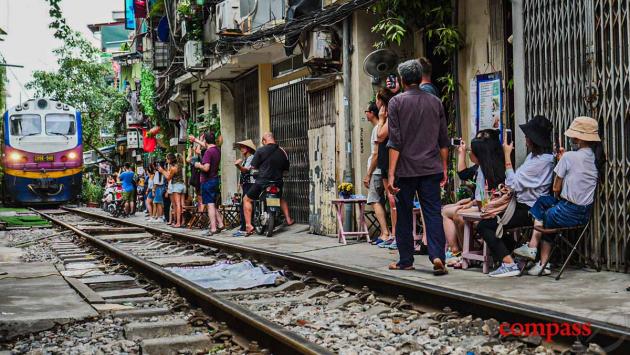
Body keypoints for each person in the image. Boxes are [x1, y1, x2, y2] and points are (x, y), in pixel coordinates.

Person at [385, 59, 450, 275]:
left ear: (402, 80)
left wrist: (391, 173)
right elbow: (443, 140)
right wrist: (444, 167)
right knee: (432, 213)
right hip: (431, 167)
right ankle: (438, 256)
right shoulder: (435, 102)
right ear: (420, 77)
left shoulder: (396, 103)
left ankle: (406, 260)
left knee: (403, 214)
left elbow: (395, 141)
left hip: (405, 169)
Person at [475, 116, 555, 277]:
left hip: (529, 208)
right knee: (489, 223)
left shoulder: (539, 162)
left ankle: (508, 263)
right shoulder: (536, 158)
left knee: (485, 226)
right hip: (523, 204)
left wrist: (507, 155)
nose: (525, 139)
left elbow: (513, 183)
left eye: (527, 136)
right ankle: (515, 257)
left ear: (533, 140)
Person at [526, 116, 605, 275]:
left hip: (567, 211)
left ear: (577, 137)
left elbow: (556, 188)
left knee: (547, 215)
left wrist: (561, 161)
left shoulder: (569, 157)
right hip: (584, 213)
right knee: (543, 202)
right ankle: (533, 249)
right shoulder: (596, 158)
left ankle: (542, 262)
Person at [243, 132, 294, 235]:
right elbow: (286, 169)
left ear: (264, 141)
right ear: (273, 139)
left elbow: (253, 167)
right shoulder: (283, 151)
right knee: (280, 197)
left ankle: (248, 225)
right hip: (277, 182)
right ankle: (288, 219)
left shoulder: (260, 150)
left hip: (262, 181)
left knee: (246, 199)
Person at [441, 139, 478, 266]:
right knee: (445, 209)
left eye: (470, 151)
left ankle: (460, 251)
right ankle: (455, 250)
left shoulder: (485, 168)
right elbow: (463, 174)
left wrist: (470, 203)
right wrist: (461, 153)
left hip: (480, 206)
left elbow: (486, 195)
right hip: (474, 202)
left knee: (454, 213)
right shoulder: (478, 167)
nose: (469, 153)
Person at [362, 102, 391, 244]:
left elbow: (375, 154)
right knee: (383, 201)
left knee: (374, 200)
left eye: (366, 111)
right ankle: (384, 232)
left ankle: (385, 232)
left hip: (377, 171)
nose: (365, 114)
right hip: (381, 171)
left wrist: (368, 174)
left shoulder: (377, 129)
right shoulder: (381, 127)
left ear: (372, 113)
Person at [375, 89, 398, 249]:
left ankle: (397, 234)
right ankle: (394, 234)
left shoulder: (390, 116)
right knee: (391, 201)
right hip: (384, 160)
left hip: (390, 160)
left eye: (377, 99)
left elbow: (380, 135)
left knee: (393, 200)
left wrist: (381, 119)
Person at [194, 131, 224, 236]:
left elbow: (206, 168)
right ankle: (220, 224)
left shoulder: (208, 152)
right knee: (213, 204)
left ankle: (213, 228)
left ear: (206, 141)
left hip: (207, 181)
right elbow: (205, 145)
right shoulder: (217, 150)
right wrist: (196, 140)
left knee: (210, 205)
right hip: (215, 179)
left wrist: (198, 165)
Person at [234, 139, 257, 237]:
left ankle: (245, 228)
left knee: (245, 205)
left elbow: (245, 170)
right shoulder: (245, 159)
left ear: (249, 148)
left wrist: (237, 165)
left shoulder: (251, 158)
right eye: (241, 147)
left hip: (250, 184)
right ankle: (246, 226)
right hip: (246, 184)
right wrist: (239, 183)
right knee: (244, 205)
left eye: (244, 147)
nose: (242, 149)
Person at [159, 153, 186, 228]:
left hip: (176, 186)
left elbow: (168, 178)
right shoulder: (180, 165)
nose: (166, 160)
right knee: (182, 204)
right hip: (183, 185)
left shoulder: (173, 168)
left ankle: (178, 223)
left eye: (167, 159)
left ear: (170, 160)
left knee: (177, 205)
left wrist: (162, 171)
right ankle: (183, 221)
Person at [187, 140, 204, 213]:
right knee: (200, 198)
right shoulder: (203, 157)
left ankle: (201, 214)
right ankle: (201, 214)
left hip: (198, 180)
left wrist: (189, 152)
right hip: (199, 180)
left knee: (200, 199)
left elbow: (188, 159)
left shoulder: (195, 159)